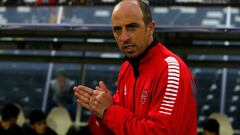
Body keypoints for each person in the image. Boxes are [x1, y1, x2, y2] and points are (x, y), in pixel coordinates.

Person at [74, 0, 198, 134]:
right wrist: (99, 112)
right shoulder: (126, 68)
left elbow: (159, 132)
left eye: (132, 27)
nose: (124, 37)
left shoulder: (170, 70)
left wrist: (108, 112)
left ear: (150, 28)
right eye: (117, 30)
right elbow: (116, 128)